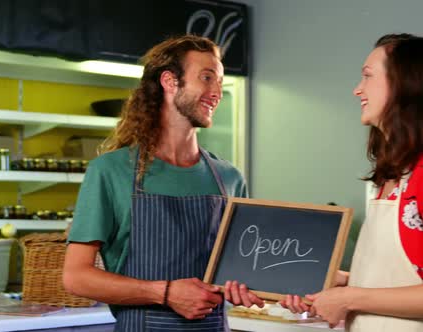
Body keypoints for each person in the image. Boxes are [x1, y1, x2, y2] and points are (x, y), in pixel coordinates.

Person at [62, 34, 263, 331]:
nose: (217, 91)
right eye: (207, 78)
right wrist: (166, 293)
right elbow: (76, 277)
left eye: (220, 81)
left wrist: (245, 286)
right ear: (170, 82)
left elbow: (244, 270)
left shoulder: (230, 179)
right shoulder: (111, 171)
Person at [281, 33, 423, 331]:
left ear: (404, 83)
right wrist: (338, 283)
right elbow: (400, 278)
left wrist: (350, 298)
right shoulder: (391, 176)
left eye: (368, 76)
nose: (357, 90)